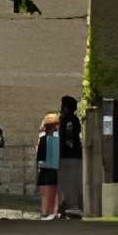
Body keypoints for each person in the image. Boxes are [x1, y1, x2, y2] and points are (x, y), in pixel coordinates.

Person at [55, 92, 87, 221]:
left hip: (68, 157)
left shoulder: (68, 121)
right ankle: (68, 205)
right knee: (69, 182)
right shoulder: (72, 120)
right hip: (71, 156)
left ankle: (69, 206)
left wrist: (63, 149)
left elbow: (69, 139)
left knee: (68, 182)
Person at [34, 112, 64, 219]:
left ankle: (48, 211)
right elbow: (40, 155)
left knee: (48, 191)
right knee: (51, 190)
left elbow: (39, 155)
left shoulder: (46, 137)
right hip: (50, 167)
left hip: (48, 167)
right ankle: (49, 211)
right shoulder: (53, 138)